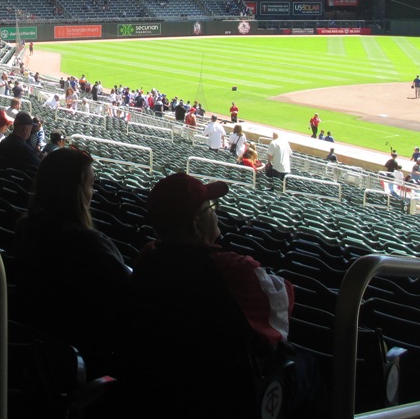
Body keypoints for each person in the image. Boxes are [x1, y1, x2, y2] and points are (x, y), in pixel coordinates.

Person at [127, 173, 321, 417]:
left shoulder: (147, 256)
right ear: (196, 225)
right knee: (311, 365)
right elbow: (283, 302)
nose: (216, 211)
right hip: (224, 393)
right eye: (211, 207)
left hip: (163, 386)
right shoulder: (231, 269)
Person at [13, 147, 130, 374]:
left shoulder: (26, 228)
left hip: (40, 354)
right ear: (76, 190)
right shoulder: (90, 244)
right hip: (83, 361)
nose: (92, 192)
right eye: (90, 184)